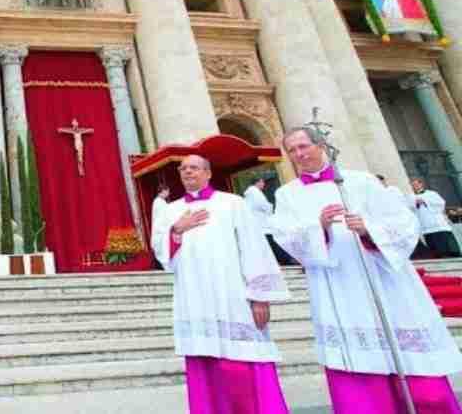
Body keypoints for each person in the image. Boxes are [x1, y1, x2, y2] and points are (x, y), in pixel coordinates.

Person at [272, 127, 462, 413]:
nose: (299, 154)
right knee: (358, 379)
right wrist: (318, 227)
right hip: (336, 286)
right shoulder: (287, 194)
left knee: (422, 385)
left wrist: (369, 230)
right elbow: (285, 237)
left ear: (321, 145)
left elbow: (404, 224)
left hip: (383, 283)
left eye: (303, 146)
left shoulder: (362, 181)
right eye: (293, 150)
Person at [153, 155, 291, 414]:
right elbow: (163, 257)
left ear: (207, 173)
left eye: (194, 168)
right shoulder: (171, 211)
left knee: (245, 362)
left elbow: (254, 248)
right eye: (183, 169)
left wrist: (260, 296)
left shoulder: (233, 203)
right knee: (205, 362)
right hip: (194, 298)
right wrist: (176, 231)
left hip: (234, 296)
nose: (188, 172)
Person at [244, 176, 296, 265]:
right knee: (273, 241)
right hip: (262, 222)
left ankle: (281, 259)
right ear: (258, 182)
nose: (263, 184)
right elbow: (262, 205)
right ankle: (285, 259)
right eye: (262, 182)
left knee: (269, 243)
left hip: (258, 222)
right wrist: (270, 206)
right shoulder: (254, 192)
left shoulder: (249, 193)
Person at [410, 177, 462, 258]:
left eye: (416, 184)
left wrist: (425, 201)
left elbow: (441, 203)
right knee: (431, 239)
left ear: (421, 184)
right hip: (424, 222)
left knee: (443, 237)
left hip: (436, 221)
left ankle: (452, 253)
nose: (415, 186)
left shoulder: (432, 193)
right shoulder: (411, 197)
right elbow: (410, 209)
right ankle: (439, 255)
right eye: (413, 185)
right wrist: (415, 204)